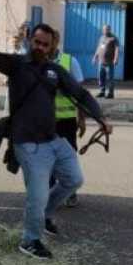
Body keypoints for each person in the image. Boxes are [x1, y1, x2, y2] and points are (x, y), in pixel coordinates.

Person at [0, 23, 111, 260]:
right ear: (30, 40)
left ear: (51, 47)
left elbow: (82, 94)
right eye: (36, 42)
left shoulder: (54, 71)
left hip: (54, 139)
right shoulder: (16, 65)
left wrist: (100, 117)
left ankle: (45, 216)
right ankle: (30, 240)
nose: (40, 47)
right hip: (28, 143)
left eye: (45, 44)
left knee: (74, 179)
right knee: (36, 195)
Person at [50, 30, 86, 208]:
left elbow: (80, 92)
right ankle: (49, 193)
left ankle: (70, 191)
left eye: (53, 40)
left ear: (56, 41)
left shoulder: (70, 61)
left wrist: (82, 118)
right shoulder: (35, 61)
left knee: (67, 157)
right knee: (45, 157)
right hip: (43, 121)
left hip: (66, 120)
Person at [92, 24, 119, 99]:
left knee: (110, 78)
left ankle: (110, 93)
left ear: (110, 30)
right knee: (101, 77)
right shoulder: (101, 38)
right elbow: (99, 48)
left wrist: (116, 58)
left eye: (107, 29)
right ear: (102, 30)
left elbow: (117, 49)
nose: (105, 31)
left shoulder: (114, 38)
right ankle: (102, 92)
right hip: (101, 62)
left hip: (109, 62)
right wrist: (95, 57)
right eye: (104, 29)